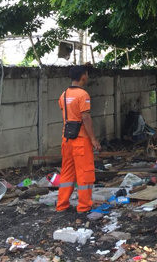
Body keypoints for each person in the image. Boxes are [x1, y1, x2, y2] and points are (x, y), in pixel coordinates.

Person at [56, 66, 101, 213]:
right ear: (83, 76)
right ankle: (84, 206)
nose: (87, 77)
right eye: (86, 74)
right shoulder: (83, 95)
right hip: (81, 140)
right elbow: (86, 118)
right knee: (84, 173)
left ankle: (61, 205)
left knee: (67, 173)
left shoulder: (63, 95)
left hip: (66, 139)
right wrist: (93, 139)